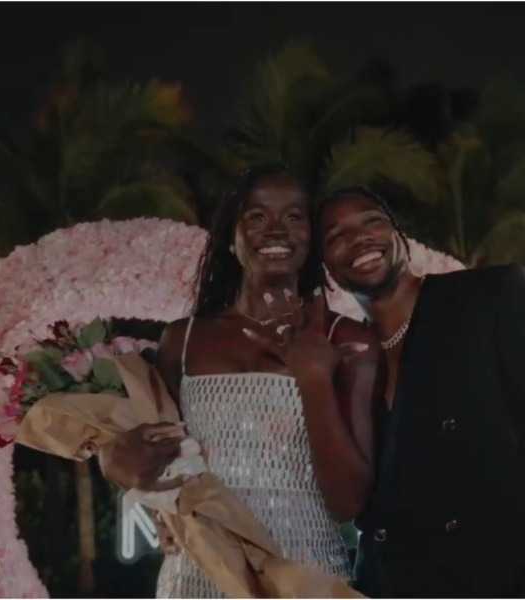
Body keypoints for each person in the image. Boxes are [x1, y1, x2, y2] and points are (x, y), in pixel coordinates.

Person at [313, 186, 525, 598]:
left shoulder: (489, 298)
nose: (359, 238)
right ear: (326, 268)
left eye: (372, 221)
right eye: (336, 236)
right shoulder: (349, 361)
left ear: (399, 235)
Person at [99, 166, 383, 598]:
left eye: (294, 217)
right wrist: (123, 467)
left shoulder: (347, 340)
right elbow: (157, 459)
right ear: (231, 238)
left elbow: (348, 502)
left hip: (304, 575)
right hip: (198, 574)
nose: (276, 229)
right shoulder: (182, 340)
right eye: (257, 216)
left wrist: (314, 378)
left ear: (311, 238)